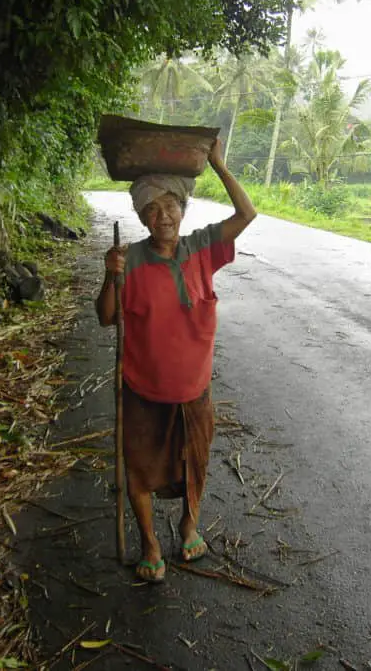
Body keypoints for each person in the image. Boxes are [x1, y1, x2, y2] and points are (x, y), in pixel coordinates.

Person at [95, 138, 256, 582]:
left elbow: (247, 214)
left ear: (183, 209)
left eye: (170, 206)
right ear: (141, 216)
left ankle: (189, 525)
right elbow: (107, 317)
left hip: (194, 389)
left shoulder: (202, 247)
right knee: (139, 468)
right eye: (152, 209)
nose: (162, 215)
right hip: (143, 390)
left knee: (195, 464)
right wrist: (111, 276)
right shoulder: (128, 259)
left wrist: (219, 163)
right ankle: (149, 543)